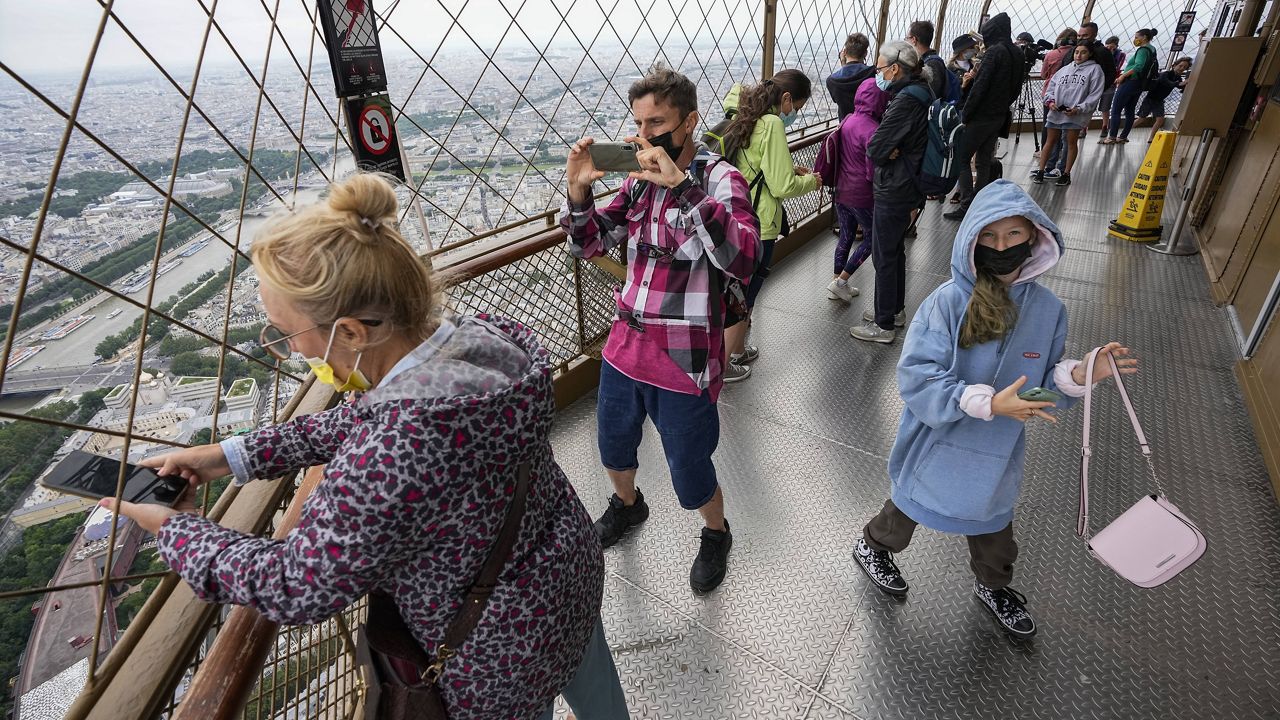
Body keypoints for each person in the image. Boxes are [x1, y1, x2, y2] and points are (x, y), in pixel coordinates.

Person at [104, 174, 629, 719]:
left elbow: (297, 582)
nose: (286, 346)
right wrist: (233, 455)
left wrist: (175, 529)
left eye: (286, 332)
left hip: (500, 647)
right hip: (565, 576)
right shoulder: (490, 344)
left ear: (351, 333)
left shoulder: (393, 447)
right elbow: (365, 420)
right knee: (601, 698)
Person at [851, 179, 1138, 637]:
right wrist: (985, 401)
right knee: (905, 510)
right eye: (988, 236)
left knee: (995, 534)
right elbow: (918, 378)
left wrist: (1079, 376)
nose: (1000, 247)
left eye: (1013, 236)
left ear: (1035, 238)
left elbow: (1041, 391)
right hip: (937, 441)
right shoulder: (945, 303)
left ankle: (994, 586)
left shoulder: (1049, 311)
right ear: (971, 239)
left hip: (997, 454)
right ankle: (873, 547)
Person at [561, 65, 761, 594]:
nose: (645, 135)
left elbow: (743, 257)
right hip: (625, 345)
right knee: (612, 445)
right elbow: (589, 244)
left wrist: (684, 189)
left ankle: (715, 531)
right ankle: (627, 504)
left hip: (685, 355)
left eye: (658, 123)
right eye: (639, 123)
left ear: (690, 121)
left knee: (690, 466)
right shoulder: (637, 181)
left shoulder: (720, 180)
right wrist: (579, 195)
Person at [719, 69, 822, 379]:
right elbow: (780, 187)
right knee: (745, 295)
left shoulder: (743, 109)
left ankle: (736, 350)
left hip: (732, 213)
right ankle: (724, 365)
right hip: (759, 220)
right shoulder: (773, 122)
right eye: (798, 107)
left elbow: (752, 161)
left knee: (736, 288)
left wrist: (789, 168)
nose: (794, 115)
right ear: (787, 98)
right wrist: (811, 183)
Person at [850, 41, 930, 345]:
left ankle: (883, 325)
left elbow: (875, 148)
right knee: (895, 251)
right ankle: (893, 310)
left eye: (880, 68)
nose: (878, 73)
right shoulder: (922, 90)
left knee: (884, 254)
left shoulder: (906, 100)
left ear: (895, 68)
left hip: (894, 188)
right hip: (908, 184)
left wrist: (886, 149)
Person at [943, 13, 1024, 221]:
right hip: (998, 115)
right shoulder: (1016, 53)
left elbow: (980, 87)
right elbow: (1016, 88)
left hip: (980, 116)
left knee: (962, 157)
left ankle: (966, 204)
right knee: (984, 161)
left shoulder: (993, 53)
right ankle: (981, 202)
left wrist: (966, 115)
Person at [827, 79, 890, 303]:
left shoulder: (847, 120)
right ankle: (841, 282)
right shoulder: (873, 129)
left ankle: (836, 281)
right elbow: (872, 170)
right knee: (873, 238)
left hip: (841, 189)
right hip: (861, 194)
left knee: (846, 235)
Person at [1033, 43, 1104, 186]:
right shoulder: (1065, 69)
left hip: (1075, 114)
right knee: (1050, 141)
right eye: (1076, 52)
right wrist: (1050, 101)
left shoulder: (1095, 70)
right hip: (1057, 111)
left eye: (1083, 52)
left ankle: (1066, 173)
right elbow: (1051, 87)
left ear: (1090, 54)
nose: (1078, 55)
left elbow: (1094, 94)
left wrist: (1079, 108)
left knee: (1070, 142)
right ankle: (1041, 170)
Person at [1103, 28, 1158, 144]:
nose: (1135, 40)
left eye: (1137, 37)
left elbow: (1139, 66)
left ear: (1144, 37)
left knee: (1116, 110)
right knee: (1130, 110)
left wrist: (1123, 76)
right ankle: (1123, 136)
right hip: (1139, 84)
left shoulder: (1142, 50)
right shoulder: (1152, 49)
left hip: (1130, 82)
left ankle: (1112, 136)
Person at [947, 33, 981, 205]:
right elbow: (950, 93)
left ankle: (961, 189)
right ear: (962, 51)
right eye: (970, 48)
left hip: (972, 111)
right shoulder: (950, 70)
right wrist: (963, 84)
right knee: (958, 152)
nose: (972, 50)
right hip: (958, 110)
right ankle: (957, 187)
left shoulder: (976, 67)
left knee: (965, 152)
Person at [1075, 23, 1118, 140]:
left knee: (1097, 109)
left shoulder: (1102, 52)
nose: (1081, 38)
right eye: (1079, 35)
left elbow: (1111, 72)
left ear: (1094, 35)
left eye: (1085, 35)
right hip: (1093, 89)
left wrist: (1098, 88)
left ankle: (1087, 128)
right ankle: (1100, 127)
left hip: (1096, 89)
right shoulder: (1101, 51)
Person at [1139, 57, 1192, 143]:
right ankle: (1125, 133)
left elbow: (1179, 86)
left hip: (1159, 101)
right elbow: (1166, 82)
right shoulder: (1166, 74)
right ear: (1174, 65)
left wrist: (1185, 84)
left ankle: (1151, 137)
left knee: (1160, 119)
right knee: (1141, 118)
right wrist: (1179, 83)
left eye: (1184, 68)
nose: (1182, 68)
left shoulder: (1177, 77)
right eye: (1180, 66)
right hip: (1150, 99)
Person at [828, 32, 875, 119]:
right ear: (865, 53)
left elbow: (848, 77)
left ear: (845, 52)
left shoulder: (832, 81)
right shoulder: (873, 74)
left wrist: (843, 62)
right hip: (870, 125)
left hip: (846, 126)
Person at [907, 20, 948, 101]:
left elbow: (930, 95)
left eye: (907, 38)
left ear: (914, 40)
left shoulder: (932, 64)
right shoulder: (930, 60)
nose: (906, 41)